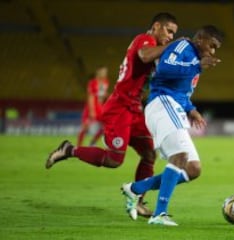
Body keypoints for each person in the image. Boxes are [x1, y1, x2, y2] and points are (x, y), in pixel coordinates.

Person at [45, 13, 178, 217]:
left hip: (134, 109)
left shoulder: (155, 50)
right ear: (156, 26)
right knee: (114, 160)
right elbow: (143, 55)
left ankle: (138, 201)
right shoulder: (146, 39)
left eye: (173, 34)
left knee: (149, 154)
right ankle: (69, 149)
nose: (170, 36)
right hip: (120, 108)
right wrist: (173, 46)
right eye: (168, 31)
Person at [122, 25, 223, 226]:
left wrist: (191, 109)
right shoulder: (183, 46)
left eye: (215, 49)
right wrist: (197, 66)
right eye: (211, 46)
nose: (212, 51)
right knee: (180, 156)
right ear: (201, 38)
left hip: (173, 105)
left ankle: (135, 188)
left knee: (193, 169)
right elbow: (165, 69)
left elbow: (182, 92)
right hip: (162, 103)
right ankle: (159, 214)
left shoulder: (194, 58)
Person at [77, 66, 109, 146]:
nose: (105, 73)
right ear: (98, 72)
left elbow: (102, 96)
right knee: (85, 127)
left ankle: (92, 142)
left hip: (100, 107)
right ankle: (78, 146)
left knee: (106, 126)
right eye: (103, 72)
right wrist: (92, 111)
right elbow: (91, 96)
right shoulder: (92, 82)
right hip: (91, 107)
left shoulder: (106, 82)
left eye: (106, 72)